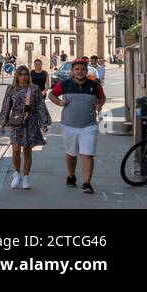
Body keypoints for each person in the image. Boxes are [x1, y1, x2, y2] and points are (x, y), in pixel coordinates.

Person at [48, 58, 107, 194]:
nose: (80, 72)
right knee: (71, 154)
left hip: (89, 126)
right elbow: (51, 95)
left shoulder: (94, 85)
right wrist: (59, 102)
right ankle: (71, 176)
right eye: (77, 69)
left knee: (88, 154)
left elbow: (102, 97)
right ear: (73, 71)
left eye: (82, 69)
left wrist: (99, 104)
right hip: (69, 126)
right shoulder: (65, 84)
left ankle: (87, 183)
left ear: (86, 71)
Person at [0, 65, 51, 190]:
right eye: (20, 74)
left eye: (25, 74)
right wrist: (3, 122)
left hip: (31, 123)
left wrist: (43, 123)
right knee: (16, 151)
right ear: (16, 75)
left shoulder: (34, 89)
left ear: (29, 76)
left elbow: (40, 106)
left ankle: (26, 177)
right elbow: (6, 106)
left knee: (27, 151)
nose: (23, 77)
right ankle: (17, 173)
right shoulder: (11, 89)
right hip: (16, 123)